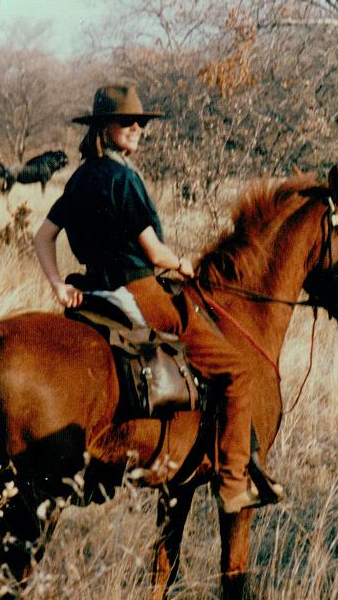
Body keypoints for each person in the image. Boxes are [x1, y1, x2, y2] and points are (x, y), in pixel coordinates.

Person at [33, 83, 284, 515]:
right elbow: (152, 253)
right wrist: (181, 263)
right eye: (127, 122)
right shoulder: (124, 179)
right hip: (140, 292)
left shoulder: (79, 177)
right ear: (104, 127)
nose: (136, 129)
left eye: (140, 123)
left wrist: (58, 285)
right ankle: (233, 485)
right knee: (239, 372)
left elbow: (43, 236)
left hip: (93, 292)